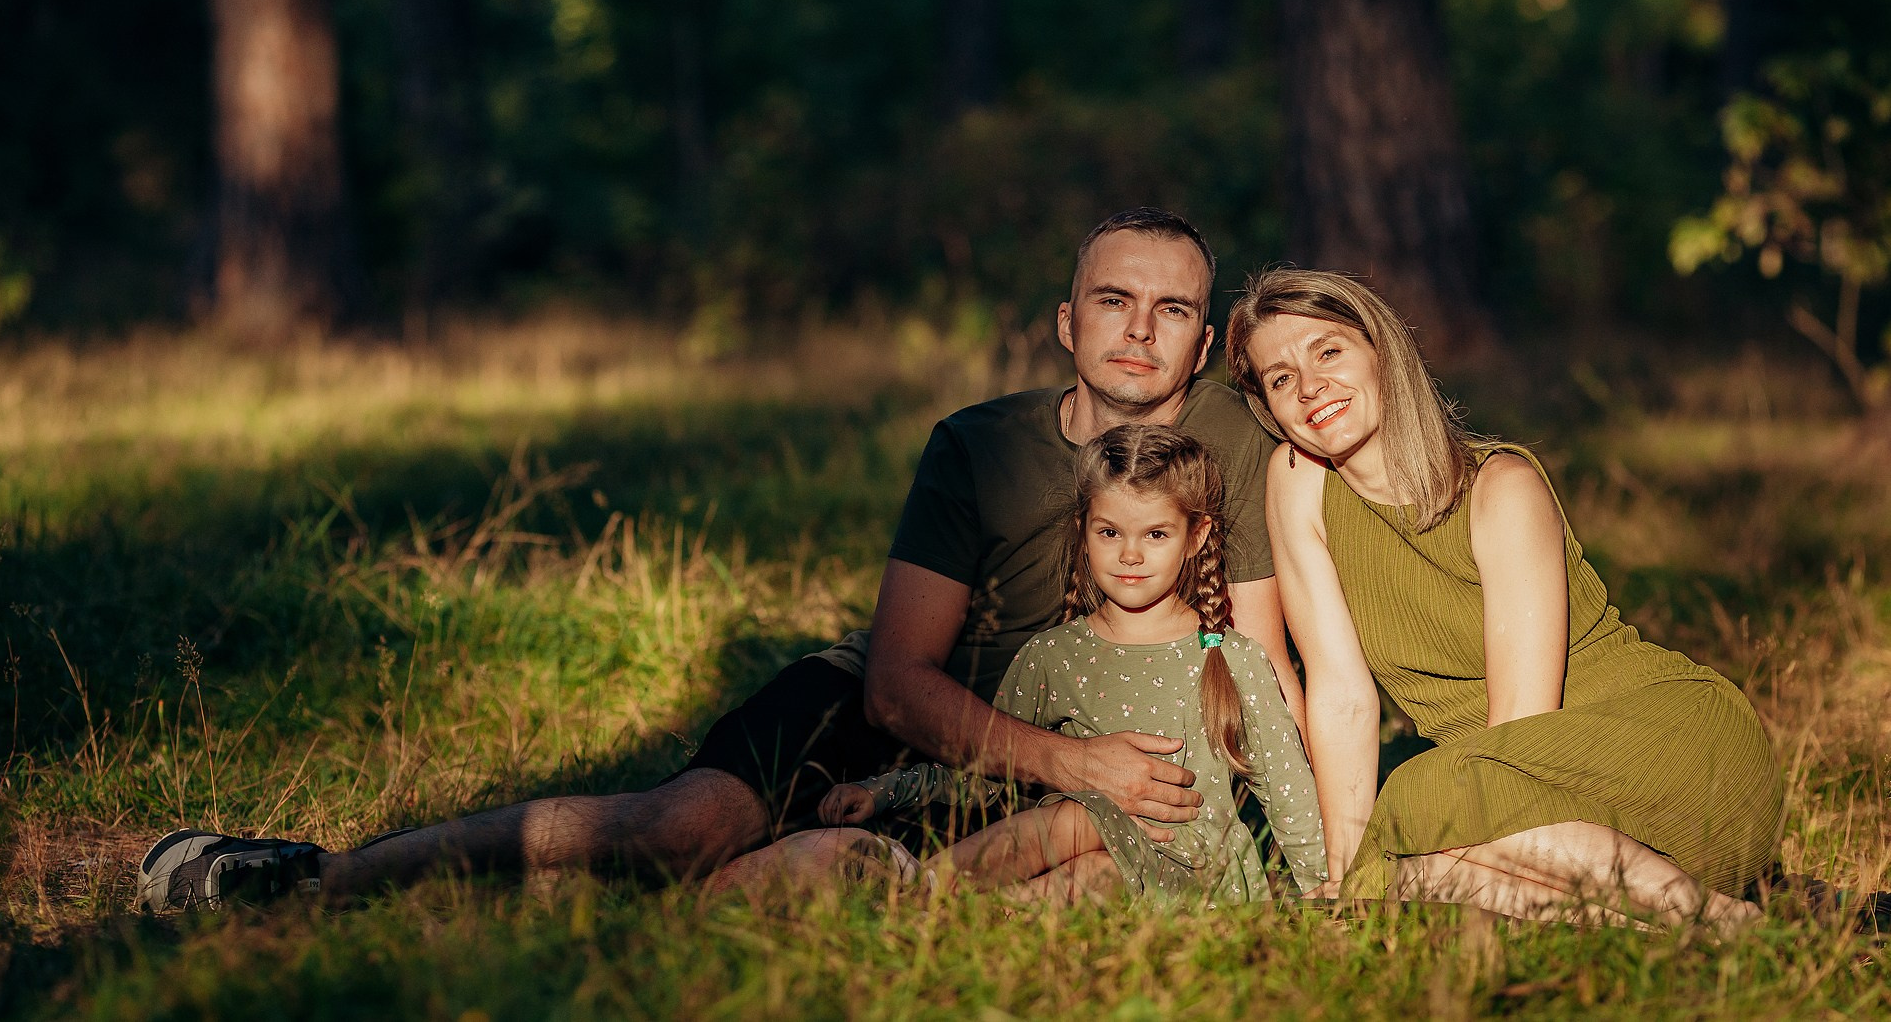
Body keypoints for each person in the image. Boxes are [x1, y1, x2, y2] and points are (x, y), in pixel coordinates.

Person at [137, 208, 1300, 911]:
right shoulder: (978, 445)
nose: (1141, 328)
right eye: (1114, 299)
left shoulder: (1237, 441)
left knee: (809, 886)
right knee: (677, 830)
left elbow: (1255, 656)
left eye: (1172, 308)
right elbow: (897, 681)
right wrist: (1071, 760)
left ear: (1207, 337)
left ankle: (699, 886)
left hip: (1035, 770)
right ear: (1066, 320)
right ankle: (319, 875)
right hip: (906, 715)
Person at [1225, 267, 1783, 927]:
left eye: (1328, 351)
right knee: (1399, 881)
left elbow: (1521, 726)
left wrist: (1410, 826)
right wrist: (1351, 878)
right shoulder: (1298, 481)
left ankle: (1698, 913)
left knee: (1410, 802)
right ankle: (1716, 925)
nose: (1310, 387)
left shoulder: (1501, 487)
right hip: (1528, 817)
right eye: (1281, 378)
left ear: (1384, 353)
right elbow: (1343, 694)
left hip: (1677, 754)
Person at [751, 424, 1322, 909]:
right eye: (1109, 532)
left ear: (1196, 538)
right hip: (1096, 872)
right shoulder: (1053, 657)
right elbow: (984, 775)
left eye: (1155, 533)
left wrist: (1325, 893)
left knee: (1078, 818)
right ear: (1084, 532)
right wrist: (887, 792)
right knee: (1086, 864)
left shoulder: (1230, 657)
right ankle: (929, 905)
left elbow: (1288, 789)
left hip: (1197, 880)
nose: (1129, 554)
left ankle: (922, 893)